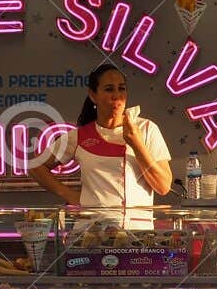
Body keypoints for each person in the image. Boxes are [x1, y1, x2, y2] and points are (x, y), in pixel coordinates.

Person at [28, 64, 173, 228]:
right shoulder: (80, 136)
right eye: (109, 89)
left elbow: (163, 186)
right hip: (92, 233)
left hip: (137, 234)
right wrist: (72, 196)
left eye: (121, 88)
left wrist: (136, 143)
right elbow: (35, 166)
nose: (117, 96)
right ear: (93, 95)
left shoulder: (146, 129)